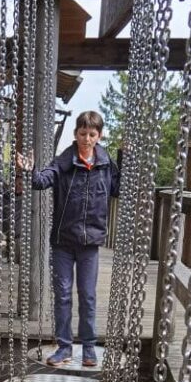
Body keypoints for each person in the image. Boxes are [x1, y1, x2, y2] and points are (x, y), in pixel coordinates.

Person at [18, 110, 120, 368]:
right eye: (83, 133)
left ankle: (88, 348)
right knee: (62, 294)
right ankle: (64, 347)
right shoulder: (63, 162)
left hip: (90, 244)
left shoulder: (106, 164)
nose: (87, 138)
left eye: (92, 134)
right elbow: (42, 181)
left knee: (87, 295)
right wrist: (30, 171)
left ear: (99, 135)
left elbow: (119, 189)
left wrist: (126, 157)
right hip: (63, 241)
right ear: (76, 134)